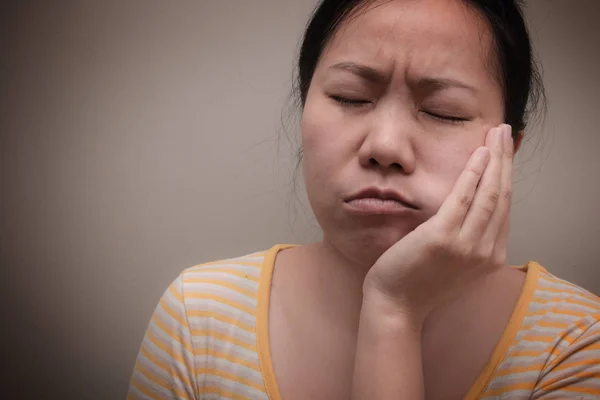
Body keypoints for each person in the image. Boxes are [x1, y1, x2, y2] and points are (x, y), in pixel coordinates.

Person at [128, 0, 600, 399]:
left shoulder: (576, 341)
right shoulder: (199, 315)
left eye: (443, 112)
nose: (385, 147)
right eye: (351, 97)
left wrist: (393, 312)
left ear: (507, 150)